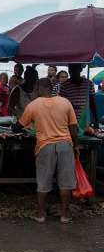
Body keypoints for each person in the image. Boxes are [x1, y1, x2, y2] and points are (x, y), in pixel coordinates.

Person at [15, 78, 78, 224]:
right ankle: (64, 215)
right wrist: (76, 145)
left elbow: (18, 127)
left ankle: (41, 214)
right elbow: (73, 128)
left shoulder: (34, 105)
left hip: (45, 146)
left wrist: (18, 116)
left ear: (38, 88)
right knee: (65, 183)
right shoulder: (65, 102)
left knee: (43, 181)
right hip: (65, 145)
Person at [59, 64, 98, 136]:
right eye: (71, 70)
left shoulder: (88, 83)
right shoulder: (64, 85)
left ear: (80, 70)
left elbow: (92, 103)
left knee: (86, 140)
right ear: (69, 71)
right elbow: (61, 104)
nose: (73, 72)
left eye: (75, 70)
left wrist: (96, 121)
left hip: (85, 120)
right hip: (69, 120)